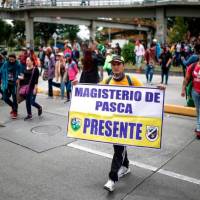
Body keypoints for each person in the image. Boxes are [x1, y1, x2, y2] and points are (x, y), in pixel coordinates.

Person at [101, 55, 143, 192]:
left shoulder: (132, 80)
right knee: (119, 148)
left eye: (118, 64)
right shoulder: (107, 81)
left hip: (127, 125)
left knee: (118, 150)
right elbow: (91, 93)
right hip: (113, 124)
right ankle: (125, 167)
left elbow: (147, 95)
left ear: (123, 65)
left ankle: (112, 179)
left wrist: (159, 90)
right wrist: (77, 86)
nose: (116, 66)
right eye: (113, 64)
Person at [181, 57, 200, 138]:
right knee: (198, 110)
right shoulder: (193, 66)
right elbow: (186, 78)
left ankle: (199, 129)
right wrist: (183, 90)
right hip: (195, 92)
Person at [0, 53, 22, 119]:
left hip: (14, 84)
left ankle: (15, 112)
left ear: (15, 59)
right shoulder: (6, 64)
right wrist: (2, 79)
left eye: (12, 59)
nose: (11, 61)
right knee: (5, 97)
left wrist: (18, 79)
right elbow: (1, 71)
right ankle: (13, 106)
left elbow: (21, 74)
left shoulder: (18, 65)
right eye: (10, 59)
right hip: (7, 84)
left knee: (14, 98)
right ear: (8, 58)